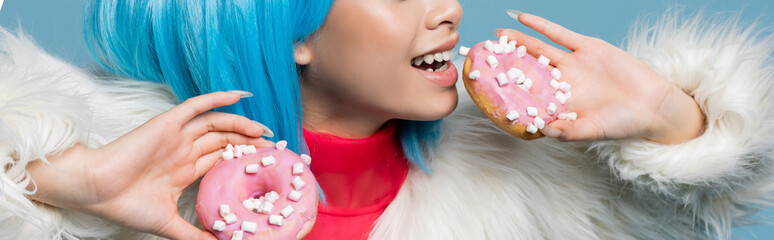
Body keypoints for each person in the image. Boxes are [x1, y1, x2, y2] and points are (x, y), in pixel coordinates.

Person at [1, 0, 773, 239]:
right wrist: (69, 184)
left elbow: (683, 215)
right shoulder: (127, 173)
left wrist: (668, 119)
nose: (448, 10)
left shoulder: (530, 188)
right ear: (291, 29)